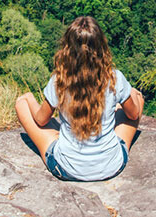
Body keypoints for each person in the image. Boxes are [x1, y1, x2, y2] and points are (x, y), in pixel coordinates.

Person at [14, 16, 144, 181]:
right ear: (101, 47)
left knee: (21, 104)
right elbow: (133, 115)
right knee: (137, 98)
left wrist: (29, 99)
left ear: (67, 48)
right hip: (111, 166)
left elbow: (41, 120)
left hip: (67, 168)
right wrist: (131, 93)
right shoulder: (114, 79)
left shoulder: (59, 80)